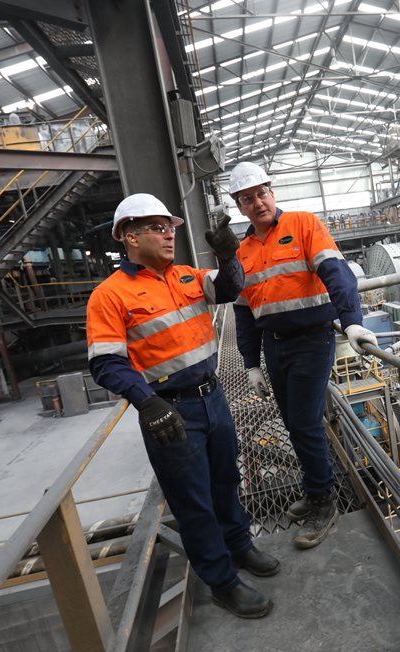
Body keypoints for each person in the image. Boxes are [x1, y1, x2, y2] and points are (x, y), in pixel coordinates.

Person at [86, 192, 278, 619]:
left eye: (170, 227)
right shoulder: (110, 295)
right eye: (158, 227)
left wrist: (228, 254)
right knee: (194, 503)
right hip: (171, 412)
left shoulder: (186, 276)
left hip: (213, 398)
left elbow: (230, 288)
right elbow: (106, 363)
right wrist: (147, 402)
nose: (169, 234)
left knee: (227, 480)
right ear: (129, 237)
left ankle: (239, 547)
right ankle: (222, 582)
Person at [229, 162, 378, 549]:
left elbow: (337, 274)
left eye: (262, 193)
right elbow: (243, 314)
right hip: (274, 345)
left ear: (272, 192)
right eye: (248, 198)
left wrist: (352, 323)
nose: (257, 202)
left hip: (312, 340)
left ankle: (324, 502)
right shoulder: (242, 251)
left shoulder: (303, 224)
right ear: (239, 206)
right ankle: (315, 491)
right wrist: (249, 364)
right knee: (293, 423)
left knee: (305, 423)